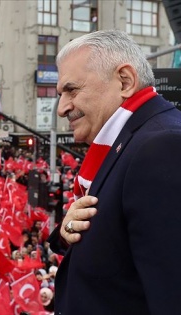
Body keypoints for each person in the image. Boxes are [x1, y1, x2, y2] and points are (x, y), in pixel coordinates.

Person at [48, 29, 181, 314]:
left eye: (72, 90)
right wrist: (65, 232)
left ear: (125, 81)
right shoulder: (133, 141)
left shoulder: (162, 147)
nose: (62, 108)